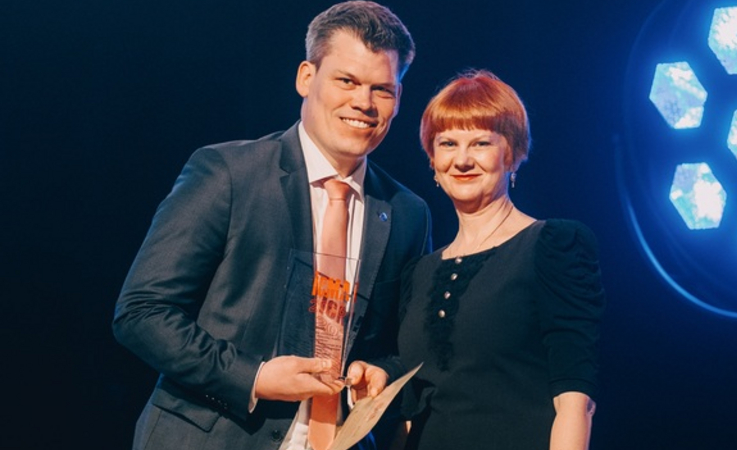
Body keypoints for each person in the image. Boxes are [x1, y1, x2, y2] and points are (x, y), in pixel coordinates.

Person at [112, 2, 431, 450]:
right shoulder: (228, 172)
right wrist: (256, 377)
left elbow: (405, 348)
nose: (364, 102)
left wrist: (380, 371)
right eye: (347, 80)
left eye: (383, 89)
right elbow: (142, 313)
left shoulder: (406, 211)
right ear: (306, 77)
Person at [396, 70, 605, 450]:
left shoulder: (552, 245)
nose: (461, 160)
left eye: (480, 143)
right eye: (447, 143)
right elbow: (413, 413)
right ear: (432, 161)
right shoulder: (421, 273)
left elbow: (576, 400)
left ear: (512, 153)